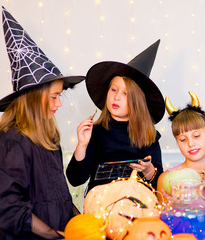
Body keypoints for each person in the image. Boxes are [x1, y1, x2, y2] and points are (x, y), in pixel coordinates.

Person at [0, 7, 85, 240]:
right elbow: (13, 210)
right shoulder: (13, 140)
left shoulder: (50, 138)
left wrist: (83, 224)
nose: (58, 104)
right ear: (34, 98)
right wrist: (55, 236)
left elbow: (61, 198)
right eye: (54, 96)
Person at [66, 40, 165, 193]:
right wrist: (82, 145)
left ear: (137, 102)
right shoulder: (96, 132)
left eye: (125, 93)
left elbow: (159, 186)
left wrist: (149, 170)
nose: (117, 97)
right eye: (114, 90)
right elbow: (75, 179)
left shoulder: (149, 136)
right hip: (100, 204)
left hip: (135, 204)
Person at [157, 91, 205, 208]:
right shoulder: (166, 179)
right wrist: (174, 205)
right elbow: (164, 223)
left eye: (196, 136)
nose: (191, 143)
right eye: (182, 139)